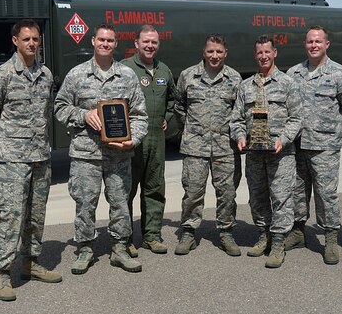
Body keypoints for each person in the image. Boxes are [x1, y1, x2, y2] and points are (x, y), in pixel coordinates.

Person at [0, 19, 62, 302]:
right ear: (15, 41)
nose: (32, 44)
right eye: (26, 39)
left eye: (36, 39)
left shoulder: (46, 75)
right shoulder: (1, 76)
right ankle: (2, 272)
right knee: (12, 217)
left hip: (40, 158)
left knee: (35, 216)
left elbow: (47, 111)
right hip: (12, 161)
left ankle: (29, 263)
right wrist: (4, 146)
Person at [54, 24, 149, 275]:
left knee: (120, 203)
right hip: (86, 154)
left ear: (116, 44)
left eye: (110, 41)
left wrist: (134, 140)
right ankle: (85, 249)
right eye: (101, 40)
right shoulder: (76, 75)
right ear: (93, 41)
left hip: (119, 154)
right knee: (85, 203)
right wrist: (83, 115)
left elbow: (140, 115)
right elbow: (60, 107)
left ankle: (119, 248)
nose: (106, 44)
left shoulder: (127, 76)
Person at [285, 26, 342, 265]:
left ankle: (329, 239)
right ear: (305, 44)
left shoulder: (340, 74)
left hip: (324, 146)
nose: (314, 45)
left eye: (318, 41)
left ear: (327, 44)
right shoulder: (293, 73)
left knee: (326, 194)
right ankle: (298, 232)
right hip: (297, 145)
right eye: (310, 41)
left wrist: (332, 128)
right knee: (297, 191)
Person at [231, 36, 302, 268]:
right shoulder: (245, 86)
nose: (263, 56)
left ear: (275, 53)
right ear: (255, 55)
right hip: (254, 153)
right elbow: (237, 119)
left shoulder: (288, 83)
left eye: (267, 52)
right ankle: (264, 234)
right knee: (257, 196)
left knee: (281, 197)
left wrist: (284, 139)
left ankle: (279, 242)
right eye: (259, 53)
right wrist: (240, 137)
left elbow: (296, 118)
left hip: (280, 152)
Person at [175, 34, 243, 256]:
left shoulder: (234, 79)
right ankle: (188, 231)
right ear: (203, 52)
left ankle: (226, 232)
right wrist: (193, 130)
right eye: (210, 51)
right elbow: (179, 106)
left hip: (225, 147)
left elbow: (240, 112)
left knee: (227, 193)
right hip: (195, 146)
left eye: (219, 51)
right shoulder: (188, 76)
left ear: (226, 53)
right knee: (193, 192)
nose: (215, 56)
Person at [121, 24, 176, 255]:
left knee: (154, 188)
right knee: (126, 191)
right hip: (131, 143)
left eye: (154, 42)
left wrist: (167, 116)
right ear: (136, 43)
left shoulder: (164, 70)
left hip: (156, 138)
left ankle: (152, 235)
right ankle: (124, 239)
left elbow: (173, 99)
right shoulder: (124, 69)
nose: (150, 45)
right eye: (146, 42)